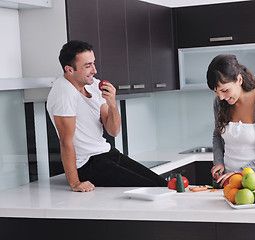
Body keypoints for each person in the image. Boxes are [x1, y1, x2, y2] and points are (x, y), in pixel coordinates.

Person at [47, 40, 167, 192]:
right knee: (152, 189)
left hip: (107, 153)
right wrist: (75, 183)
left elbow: (113, 131)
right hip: (87, 164)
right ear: (69, 70)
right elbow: (65, 142)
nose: (95, 70)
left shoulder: (93, 84)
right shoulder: (64, 94)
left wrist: (112, 104)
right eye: (87, 65)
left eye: (93, 63)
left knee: (162, 186)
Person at [206, 54, 255, 187]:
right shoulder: (220, 103)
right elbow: (217, 135)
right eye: (216, 92)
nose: (220, 97)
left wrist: (240, 173)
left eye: (225, 90)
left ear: (239, 79)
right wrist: (218, 162)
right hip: (229, 184)